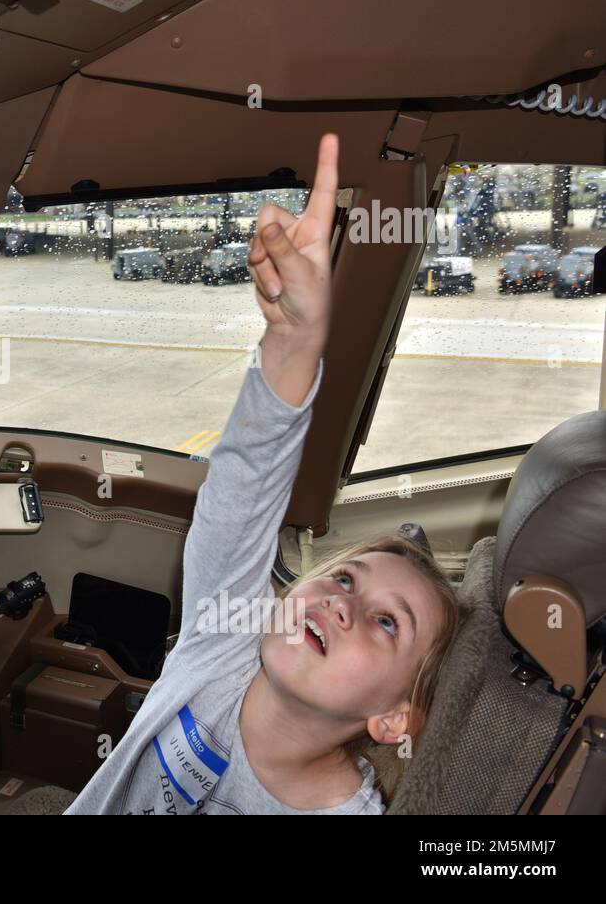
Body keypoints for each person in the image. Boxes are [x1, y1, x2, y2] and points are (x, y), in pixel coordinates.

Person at [65, 134, 464, 815]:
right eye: (343, 577)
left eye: (386, 624)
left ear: (394, 719)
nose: (343, 603)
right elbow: (242, 488)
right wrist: (293, 339)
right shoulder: (224, 642)